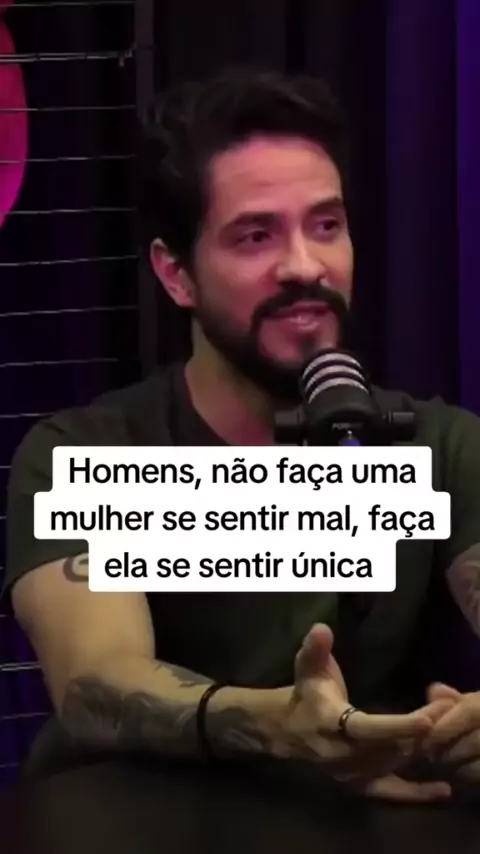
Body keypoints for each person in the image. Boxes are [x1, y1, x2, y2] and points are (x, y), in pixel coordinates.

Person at [4, 67, 480, 803]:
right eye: (256, 236)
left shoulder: (441, 446)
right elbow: (97, 680)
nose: (305, 266)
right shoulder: (87, 453)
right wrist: (277, 725)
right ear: (176, 274)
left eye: (326, 226)